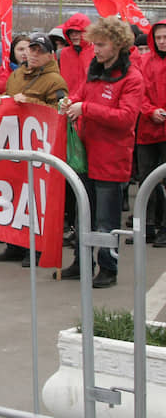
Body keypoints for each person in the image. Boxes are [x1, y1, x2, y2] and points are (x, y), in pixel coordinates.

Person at [60, 17, 144, 288]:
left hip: (111, 159)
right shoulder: (94, 72)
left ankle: (108, 267)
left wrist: (85, 109)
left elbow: (126, 118)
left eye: (101, 44)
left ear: (117, 46)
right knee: (82, 214)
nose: (94, 48)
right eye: (94, 43)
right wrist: (70, 102)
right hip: (86, 155)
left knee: (106, 221)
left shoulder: (132, 78)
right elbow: (80, 94)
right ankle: (81, 262)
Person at [0, 34, 68, 266]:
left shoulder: (55, 80)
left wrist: (31, 104)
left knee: (35, 200)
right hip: (15, 145)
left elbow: (59, 114)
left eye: (38, 51)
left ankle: (35, 249)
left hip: (38, 149)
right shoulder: (16, 75)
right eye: (30, 50)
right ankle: (14, 244)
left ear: (49, 55)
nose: (32, 54)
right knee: (14, 197)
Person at [134, 20, 166, 247]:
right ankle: (147, 226)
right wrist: (150, 111)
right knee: (146, 180)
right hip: (147, 129)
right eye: (159, 38)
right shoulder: (144, 62)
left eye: (165, 37)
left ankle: (164, 227)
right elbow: (138, 93)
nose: (162, 41)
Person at [58, 13, 93, 98]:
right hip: (66, 103)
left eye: (78, 31)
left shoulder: (97, 52)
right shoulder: (61, 54)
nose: (74, 35)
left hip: (88, 103)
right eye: (71, 32)